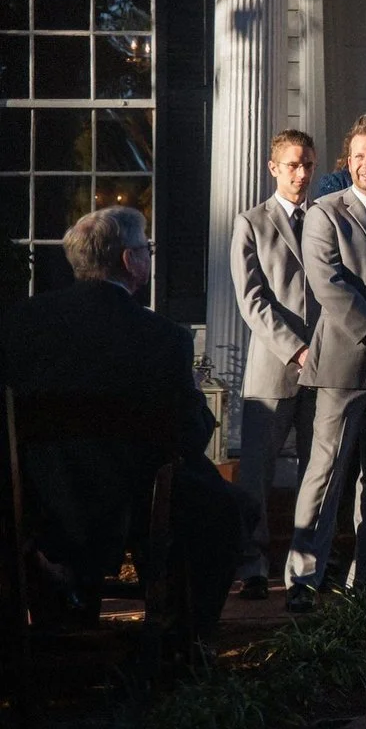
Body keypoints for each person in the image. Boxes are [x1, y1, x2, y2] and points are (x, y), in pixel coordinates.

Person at [0, 207, 243, 645]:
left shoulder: (19, 324)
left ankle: (57, 617)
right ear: (130, 262)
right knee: (227, 511)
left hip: (37, 501)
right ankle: (182, 643)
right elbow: (186, 435)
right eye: (146, 247)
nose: (149, 255)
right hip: (131, 506)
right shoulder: (162, 337)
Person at [285, 123, 366, 613]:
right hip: (343, 362)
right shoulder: (325, 213)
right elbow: (327, 281)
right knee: (326, 471)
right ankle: (303, 577)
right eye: (359, 155)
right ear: (347, 161)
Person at [230, 129, 320, 602]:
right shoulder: (251, 223)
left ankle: (304, 569)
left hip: (325, 368)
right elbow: (251, 300)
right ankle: (252, 565)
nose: (302, 173)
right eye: (292, 165)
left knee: (317, 470)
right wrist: (295, 348)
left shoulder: (325, 216)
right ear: (273, 167)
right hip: (274, 365)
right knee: (256, 474)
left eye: (308, 164)